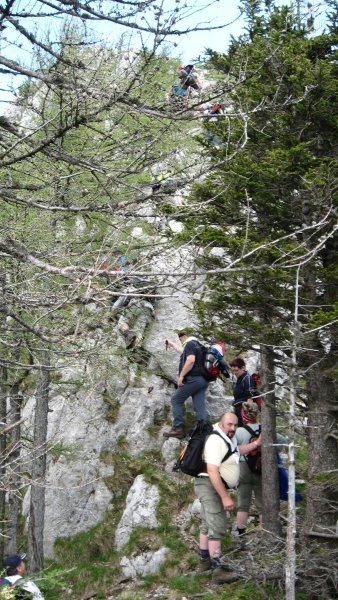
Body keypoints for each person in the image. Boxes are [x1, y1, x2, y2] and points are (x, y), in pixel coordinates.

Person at [194, 412, 261, 583]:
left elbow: (236, 451)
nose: (232, 428)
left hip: (210, 485)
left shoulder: (226, 439)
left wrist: (255, 444)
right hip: (210, 485)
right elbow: (212, 470)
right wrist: (225, 497)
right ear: (221, 423)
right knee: (217, 523)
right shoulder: (216, 440)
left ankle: (204, 562)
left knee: (206, 522)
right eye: (229, 424)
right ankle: (218, 571)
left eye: (235, 425)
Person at [236, 403, 288, 538]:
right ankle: (264, 532)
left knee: (243, 503)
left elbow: (230, 449)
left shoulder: (239, 432)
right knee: (261, 502)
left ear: (243, 415)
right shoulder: (266, 429)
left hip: (243, 468)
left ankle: (241, 534)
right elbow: (283, 442)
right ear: (256, 414)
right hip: (262, 468)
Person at [163, 330, 209, 439]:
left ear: (184, 337)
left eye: (180, 339)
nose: (180, 341)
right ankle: (204, 430)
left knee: (176, 399)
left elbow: (190, 360)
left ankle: (178, 428)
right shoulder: (199, 346)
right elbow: (181, 350)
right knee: (199, 405)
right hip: (203, 381)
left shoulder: (189, 344)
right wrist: (172, 344)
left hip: (193, 380)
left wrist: (181, 376)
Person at [229, 357, 255, 426]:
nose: (234, 373)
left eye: (236, 370)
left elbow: (250, 394)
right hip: (238, 407)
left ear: (243, 368)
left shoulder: (247, 378)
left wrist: (248, 413)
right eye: (233, 371)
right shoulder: (240, 378)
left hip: (243, 409)